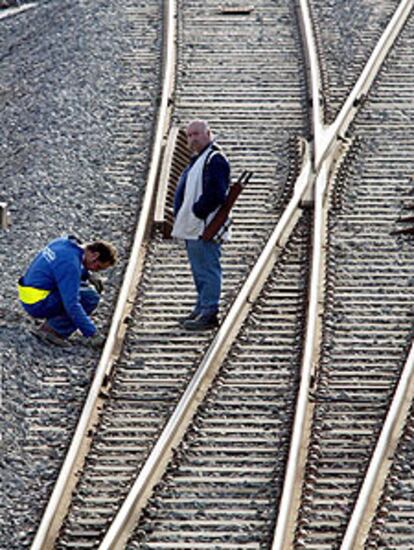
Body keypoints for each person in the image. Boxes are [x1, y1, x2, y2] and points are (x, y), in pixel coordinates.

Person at [171, 119, 230, 331]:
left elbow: (217, 192)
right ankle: (201, 307)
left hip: (203, 225)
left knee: (207, 269)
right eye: (189, 135)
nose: (192, 139)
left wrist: (198, 211)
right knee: (200, 270)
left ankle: (209, 312)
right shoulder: (200, 159)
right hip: (194, 226)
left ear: (208, 133)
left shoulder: (214, 159)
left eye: (197, 134)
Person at [18, 235, 117, 347]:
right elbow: (72, 304)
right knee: (90, 297)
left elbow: (62, 268)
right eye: (98, 267)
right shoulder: (70, 264)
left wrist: (87, 275)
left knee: (79, 285)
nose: (95, 270)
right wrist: (92, 333)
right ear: (95, 255)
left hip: (29, 294)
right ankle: (52, 330)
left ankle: (54, 323)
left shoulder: (64, 243)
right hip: (37, 304)